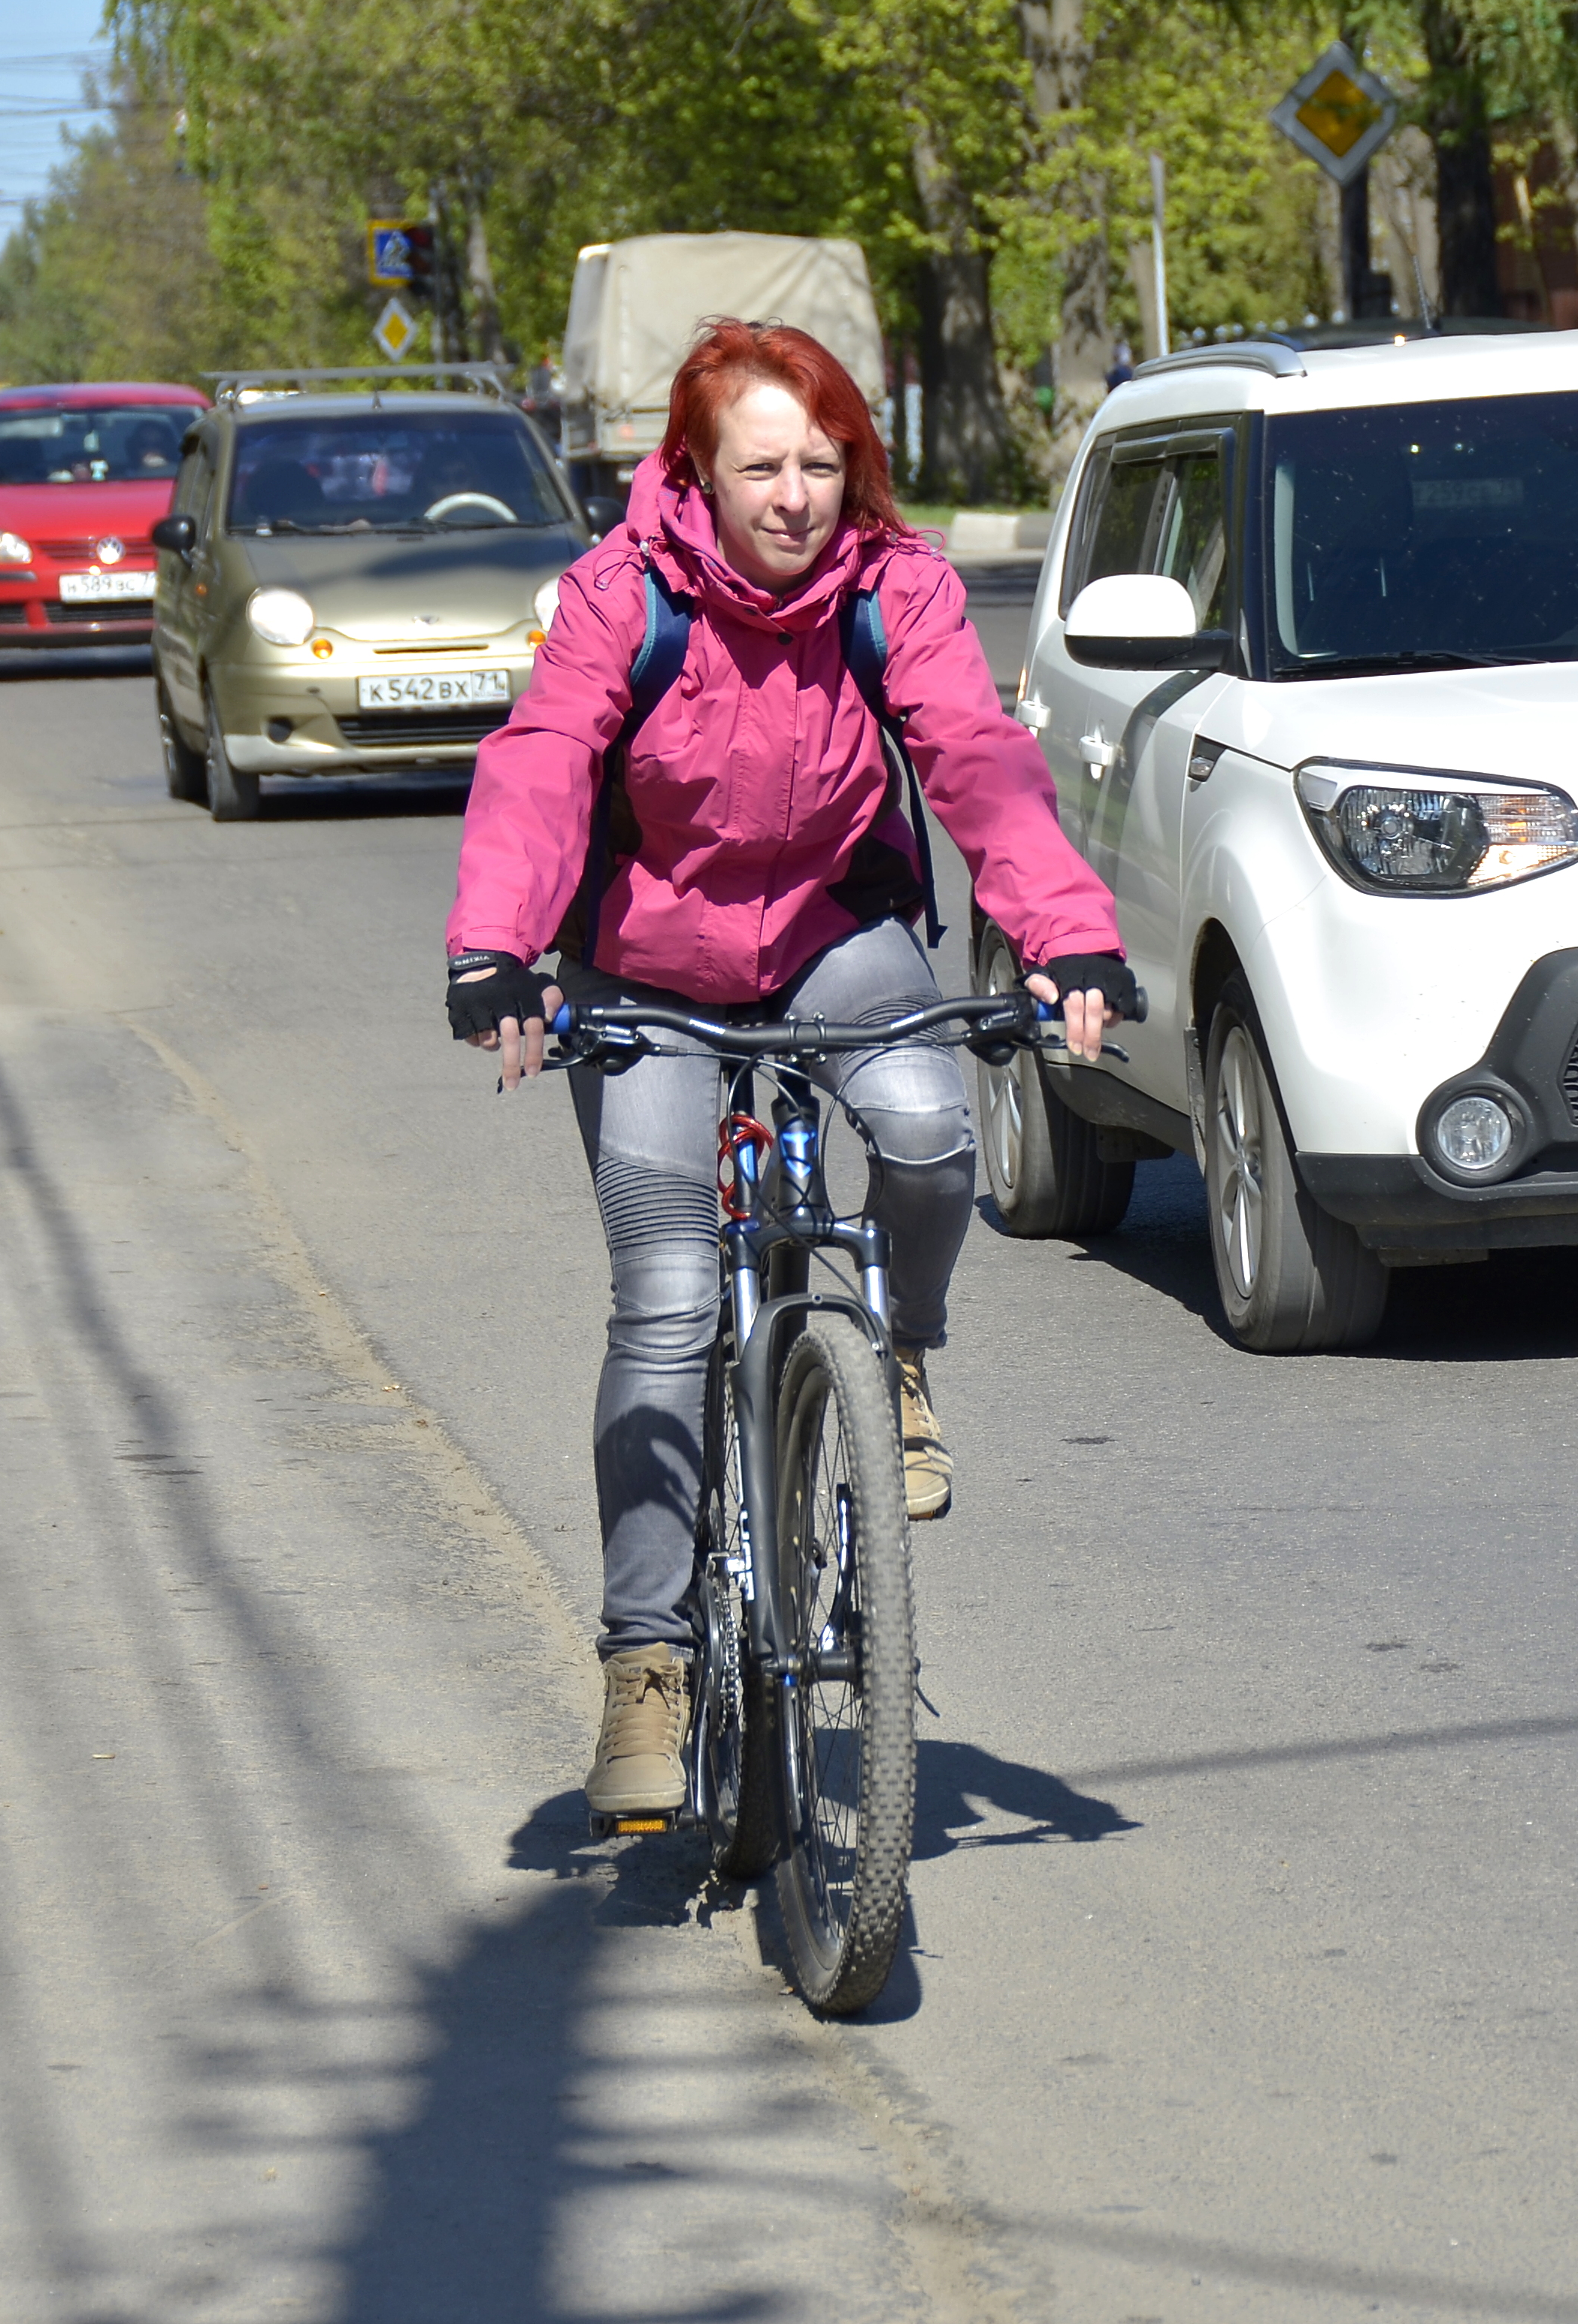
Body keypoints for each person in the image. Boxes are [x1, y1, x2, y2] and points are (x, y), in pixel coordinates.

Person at [442, 318, 1131, 1820]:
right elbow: (546, 761)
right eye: (764, 463)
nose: (797, 492)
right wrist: (498, 946)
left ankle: (893, 1356)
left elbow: (976, 762)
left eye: (824, 461)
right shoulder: (622, 598)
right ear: (696, 468)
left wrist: (1067, 936)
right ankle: (645, 1661)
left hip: (830, 932)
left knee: (936, 1128)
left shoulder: (894, 590)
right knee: (673, 1295)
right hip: (644, 967)